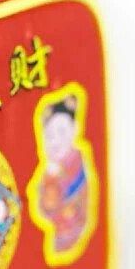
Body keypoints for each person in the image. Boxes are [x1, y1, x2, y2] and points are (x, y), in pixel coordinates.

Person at [37, 97, 89, 253]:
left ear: (75, 129)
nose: (55, 141)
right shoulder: (50, 170)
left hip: (69, 238)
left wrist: (51, 179)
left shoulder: (74, 164)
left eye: (61, 131)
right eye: (49, 135)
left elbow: (51, 205)